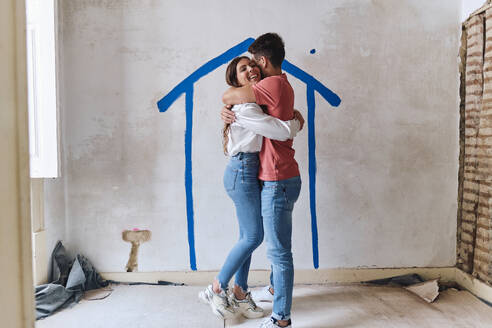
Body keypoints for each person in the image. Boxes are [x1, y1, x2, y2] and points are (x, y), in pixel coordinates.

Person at [199, 56, 304, 321]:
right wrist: (296, 123)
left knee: (248, 236)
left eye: (252, 66)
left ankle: (241, 292)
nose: (251, 70)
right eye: (243, 69)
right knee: (253, 237)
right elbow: (279, 131)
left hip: (249, 170)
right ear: (236, 81)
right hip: (242, 171)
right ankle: (216, 287)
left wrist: (294, 115)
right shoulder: (245, 109)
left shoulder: (252, 104)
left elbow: (270, 115)